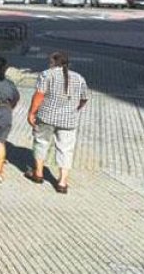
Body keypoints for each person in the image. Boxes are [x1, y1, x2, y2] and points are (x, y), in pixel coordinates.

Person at [25, 51, 90, 194]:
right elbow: (84, 98)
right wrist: (75, 108)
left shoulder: (46, 74)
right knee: (65, 149)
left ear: (53, 62)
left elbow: (39, 95)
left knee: (41, 143)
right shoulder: (79, 78)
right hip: (69, 120)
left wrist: (31, 112)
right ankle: (62, 182)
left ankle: (38, 173)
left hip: (46, 117)